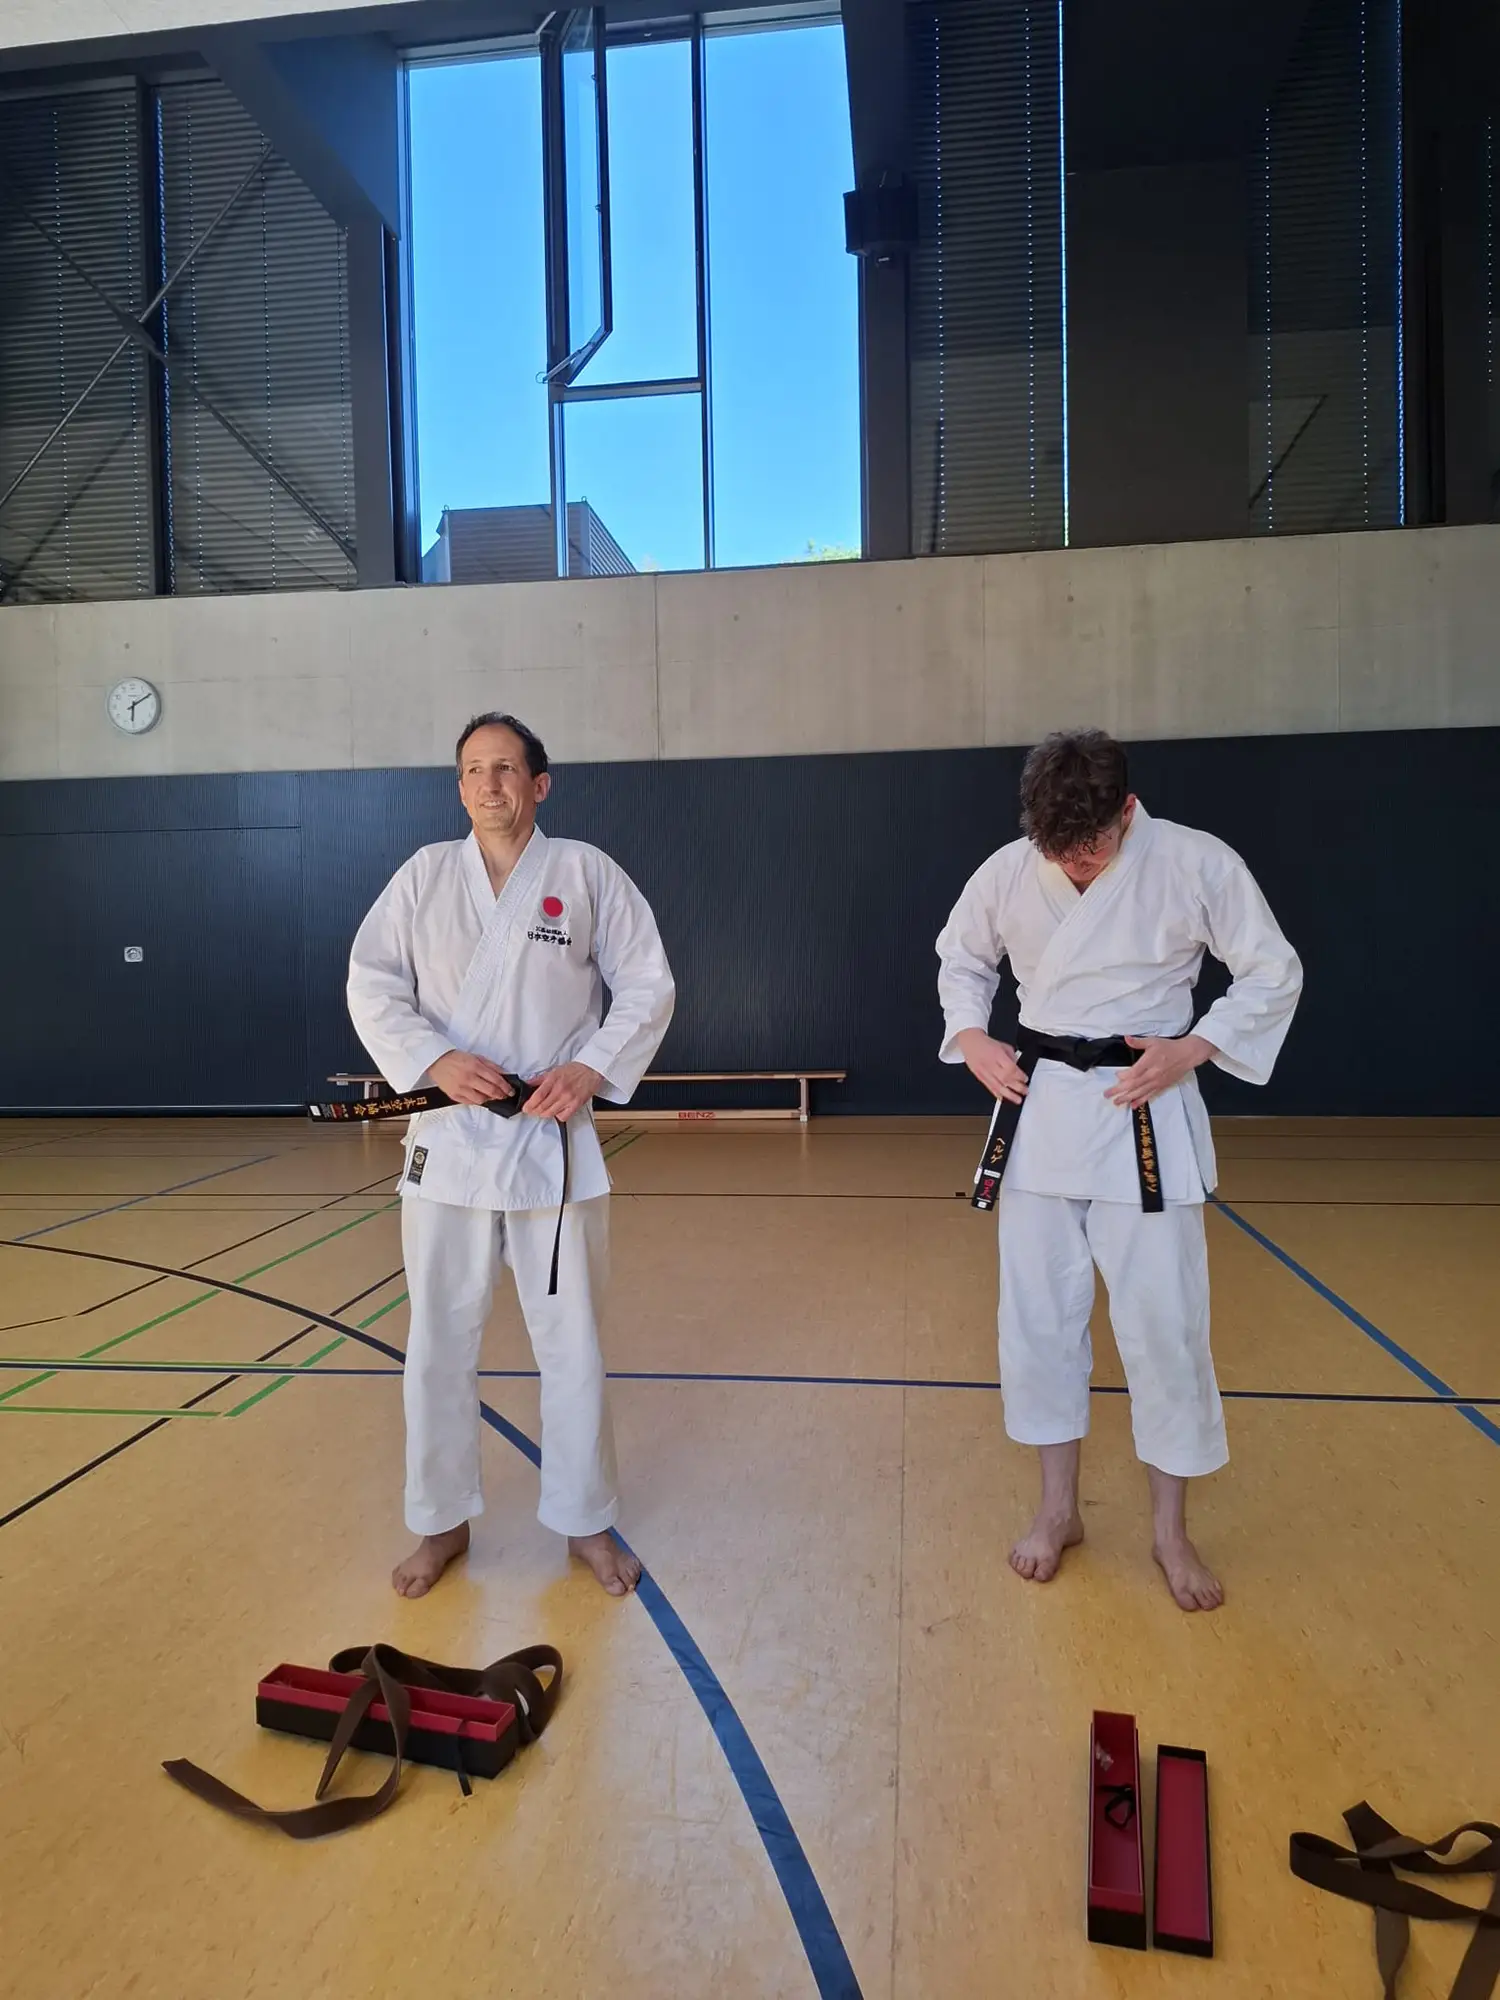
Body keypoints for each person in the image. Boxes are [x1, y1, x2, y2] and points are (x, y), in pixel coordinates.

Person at [935, 730, 1301, 1611]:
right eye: (1058, 848)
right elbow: (962, 958)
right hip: (1041, 1113)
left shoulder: (1195, 862)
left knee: (1165, 1324)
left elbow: (1272, 971)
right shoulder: (1010, 869)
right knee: (1038, 1320)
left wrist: (1195, 1047)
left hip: (1145, 1111)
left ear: (1128, 810)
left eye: (1091, 845)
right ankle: (1057, 1509)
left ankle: (1171, 1532)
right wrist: (973, 1035)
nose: (1075, 862)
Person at [348, 713, 675, 1599]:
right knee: (437, 1342)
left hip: (551, 1139)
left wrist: (592, 1065)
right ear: (459, 788)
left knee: (572, 1343)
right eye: (472, 770)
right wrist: (434, 1061)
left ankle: (586, 1519)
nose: (488, 783)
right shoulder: (424, 876)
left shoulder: (584, 873)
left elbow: (647, 983)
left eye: (504, 768)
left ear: (540, 783)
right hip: (449, 1143)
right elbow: (371, 983)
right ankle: (440, 1521)